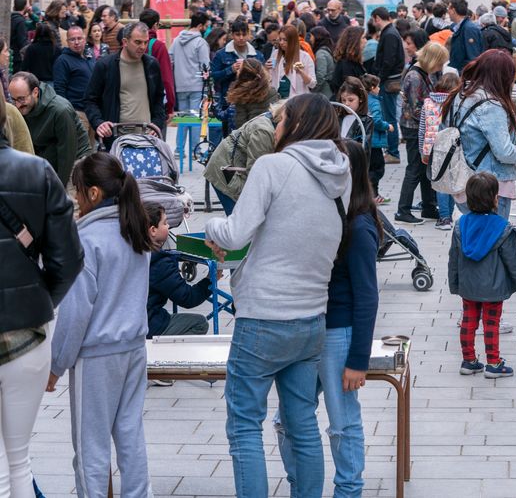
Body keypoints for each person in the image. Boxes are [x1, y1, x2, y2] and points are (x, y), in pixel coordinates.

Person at [204, 94, 351, 497]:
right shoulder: (342, 173)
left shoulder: (272, 166)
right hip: (310, 319)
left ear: (298, 124)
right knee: (302, 423)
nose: (276, 128)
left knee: (245, 425)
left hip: (263, 318)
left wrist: (212, 227)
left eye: (281, 120)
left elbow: (235, 233)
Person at [276, 138, 380, 498]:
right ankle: (300, 486)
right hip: (307, 330)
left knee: (342, 421)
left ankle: (348, 490)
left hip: (339, 334)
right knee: (286, 419)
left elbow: (368, 297)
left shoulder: (360, 226)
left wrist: (358, 361)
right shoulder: (323, 215)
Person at [49, 152, 153, 498]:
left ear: (93, 193)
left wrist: (56, 364)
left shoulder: (87, 239)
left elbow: (76, 312)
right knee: (130, 435)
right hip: (133, 347)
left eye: (78, 191)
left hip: (97, 355)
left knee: (91, 447)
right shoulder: (135, 232)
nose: (75, 198)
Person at [0, 97, 82, 498]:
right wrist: (42, 300)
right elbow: (68, 259)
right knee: (18, 458)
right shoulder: (37, 171)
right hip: (28, 328)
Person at [449, 172, 516, 379]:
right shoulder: (502, 227)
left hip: (468, 286)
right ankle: (493, 363)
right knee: (491, 324)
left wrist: (454, 284)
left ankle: (468, 361)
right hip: (494, 287)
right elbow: (514, 260)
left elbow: (454, 258)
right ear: (495, 198)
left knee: (468, 321)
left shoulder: (461, 225)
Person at [442, 50, 516, 220]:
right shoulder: (491, 105)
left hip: (464, 180)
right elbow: (504, 152)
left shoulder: (460, 96)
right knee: (492, 240)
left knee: (474, 238)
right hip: (490, 186)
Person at [83, 21, 167, 148]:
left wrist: (157, 123)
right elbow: (90, 100)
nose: (143, 46)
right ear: (125, 42)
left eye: (145, 42)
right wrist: (99, 123)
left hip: (147, 137)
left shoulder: (151, 64)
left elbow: (159, 98)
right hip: (116, 139)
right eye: (138, 42)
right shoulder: (106, 65)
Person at [395, 42, 448, 225]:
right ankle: (403, 210)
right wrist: (436, 114)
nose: (440, 68)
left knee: (426, 166)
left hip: (419, 126)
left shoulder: (421, 72)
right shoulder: (415, 76)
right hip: (414, 128)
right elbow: (416, 108)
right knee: (415, 168)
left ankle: (428, 206)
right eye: (440, 63)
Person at [9, 72, 90, 186]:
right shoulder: (21, 108)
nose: (17, 105)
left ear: (35, 92)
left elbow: (66, 154)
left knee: (69, 199)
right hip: (47, 156)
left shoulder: (60, 110)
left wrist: (59, 188)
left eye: (21, 99)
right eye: (13, 99)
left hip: (74, 157)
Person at [203, 102, 283, 215]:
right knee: (241, 220)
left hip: (233, 166)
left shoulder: (271, 120)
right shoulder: (264, 130)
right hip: (226, 171)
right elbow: (257, 172)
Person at [144, 202, 210, 338]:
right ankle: (167, 354)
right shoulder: (160, 264)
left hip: (128, 322)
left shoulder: (133, 251)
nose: (168, 226)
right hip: (149, 325)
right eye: (165, 223)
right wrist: (209, 281)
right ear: (153, 230)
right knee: (200, 323)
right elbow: (188, 298)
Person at [419, 72, 460, 229]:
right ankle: (448, 214)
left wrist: (423, 149)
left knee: (440, 183)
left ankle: (444, 218)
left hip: (434, 148)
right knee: (450, 182)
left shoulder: (428, 103)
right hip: (453, 147)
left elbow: (423, 128)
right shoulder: (456, 102)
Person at [369, 8, 404, 161]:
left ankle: (393, 152)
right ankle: (391, 151)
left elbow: (388, 60)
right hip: (389, 79)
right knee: (388, 115)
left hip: (389, 80)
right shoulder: (390, 32)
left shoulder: (389, 34)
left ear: (377, 18)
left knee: (389, 116)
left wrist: (379, 78)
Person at [211, 20, 265, 106]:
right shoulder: (221, 54)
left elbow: (263, 79)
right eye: (238, 34)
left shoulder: (257, 55)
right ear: (232, 35)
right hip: (228, 101)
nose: (241, 38)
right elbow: (214, 76)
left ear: (248, 34)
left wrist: (249, 70)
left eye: (244, 34)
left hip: (251, 100)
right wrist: (230, 69)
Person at [170, 11, 212, 116]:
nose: (206, 29)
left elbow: (170, 60)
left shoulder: (176, 41)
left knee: (182, 120)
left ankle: (181, 134)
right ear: (200, 26)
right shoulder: (200, 42)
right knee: (195, 119)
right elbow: (205, 66)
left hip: (180, 85)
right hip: (196, 86)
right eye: (205, 26)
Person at [52, 25, 95, 116]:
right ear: (67, 42)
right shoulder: (62, 60)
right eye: (72, 39)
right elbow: (59, 89)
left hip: (93, 111)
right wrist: (67, 112)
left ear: (85, 39)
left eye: (79, 38)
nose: (76, 42)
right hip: (76, 111)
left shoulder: (90, 57)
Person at [227, 58, 280, 130]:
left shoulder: (240, 94)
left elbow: (240, 122)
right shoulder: (271, 91)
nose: (237, 72)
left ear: (245, 74)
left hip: (248, 134)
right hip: (268, 132)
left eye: (239, 69)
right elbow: (276, 115)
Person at [363, 75, 392, 201]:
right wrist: (387, 126)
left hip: (368, 141)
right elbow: (376, 121)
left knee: (371, 167)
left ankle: (374, 194)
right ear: (372, 88)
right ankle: (371, 193)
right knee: (378, 169)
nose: (379, 88)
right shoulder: (374, 102)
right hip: (375, 141)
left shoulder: (364, 100)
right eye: (378, 86)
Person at [20, 0, 62, 83]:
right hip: (52, 82)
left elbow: (24, 67)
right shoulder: (56, 49)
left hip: (35, 82)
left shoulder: (31, 48)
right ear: (50, 34)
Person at [269, 24, 316, 97]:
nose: (281, 43)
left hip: (298, 101)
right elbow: (270, 75)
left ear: (293, 41)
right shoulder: (275, 55)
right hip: (278, 101)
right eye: (280, 39)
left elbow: (312, 84)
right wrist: (266, 68)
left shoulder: (305, 57)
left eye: (285, 40)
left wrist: (301, 73)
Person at [448, 0, 484, 71]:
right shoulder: (460, 28)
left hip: (464, 76)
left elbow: (473, 58)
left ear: (453, 10)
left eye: (448, 9)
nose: (447, 11)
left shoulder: (469, 29)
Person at [330, 25, 367, 94]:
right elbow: (351, 91)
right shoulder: (346, 65)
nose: (366, 41)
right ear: (355, 41)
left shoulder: (353, 62)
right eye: (363, 38)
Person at [309, 25, 336, 99]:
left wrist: (313, 91)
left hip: (324, 92)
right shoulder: (327, 49)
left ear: (317, 37)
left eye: (311, 36)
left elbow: (320, 76)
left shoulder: (321, 53)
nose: (310, 39)